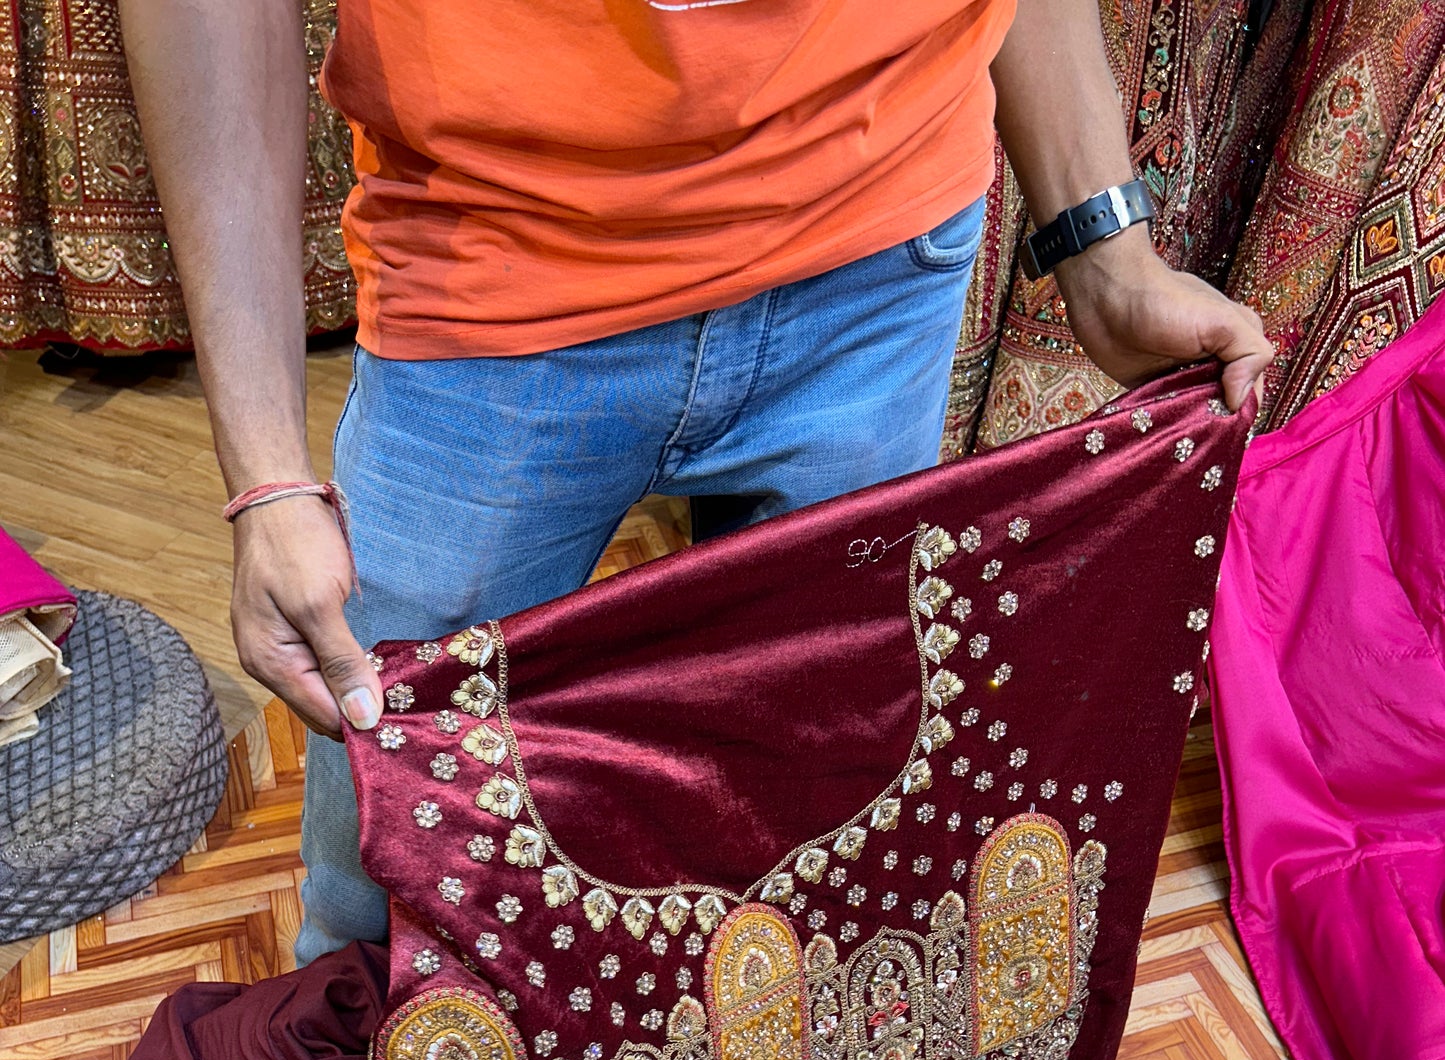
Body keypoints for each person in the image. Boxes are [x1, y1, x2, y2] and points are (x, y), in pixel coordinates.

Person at [118, 0, 1271, 964]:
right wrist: (266, 475)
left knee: (813, 824)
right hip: (492, 275)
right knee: (387, 902)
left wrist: (1102, 241)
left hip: (880, 244)